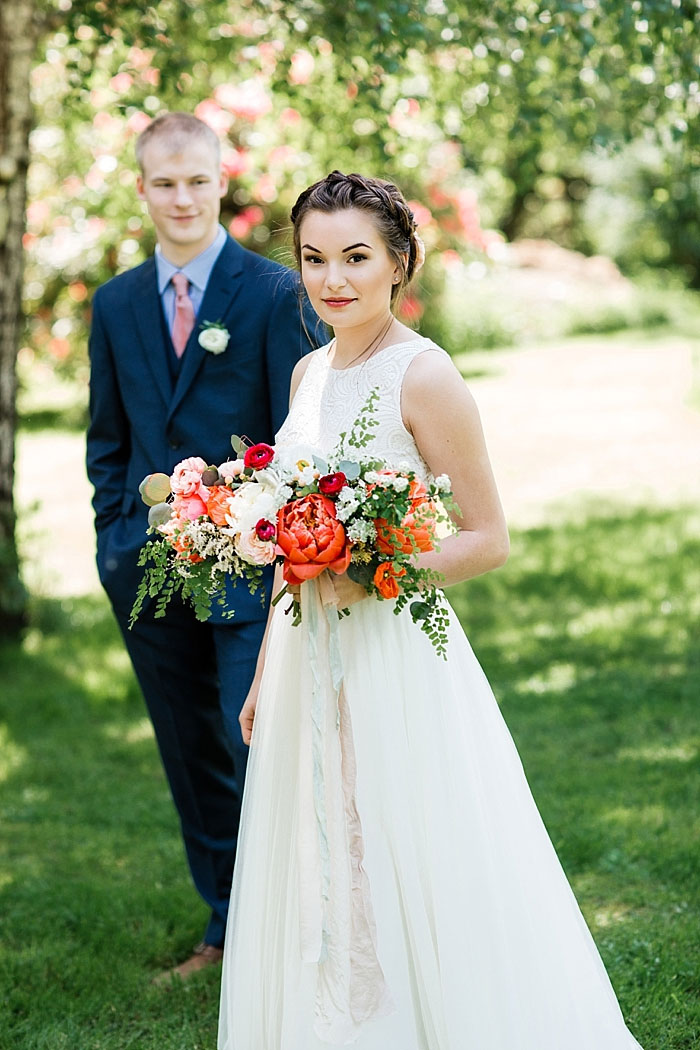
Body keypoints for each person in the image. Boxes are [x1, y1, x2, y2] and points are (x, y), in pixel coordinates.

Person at [217, 171, 644, 1049]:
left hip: (393, 654)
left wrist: (372, 572)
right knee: (322, 845)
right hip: (306, 660)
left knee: (406, 839)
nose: (333, 279)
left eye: (356, 257)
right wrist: (265, 669)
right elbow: (286, 552)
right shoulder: (304, 373)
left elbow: (488, 537)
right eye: (314, 259)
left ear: (400, 263)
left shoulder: (425, 373)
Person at [86, 111, 319, 980]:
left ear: (219, 182)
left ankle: (296, 930)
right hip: (148, 573)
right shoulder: (113, 304)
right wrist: (115, 535)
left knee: (256, 740)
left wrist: (284, 545)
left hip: (253, 569)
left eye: (196, 180)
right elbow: (106, 438)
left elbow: (300, 435)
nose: (181, 198)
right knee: (189, 751)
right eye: (163, 182)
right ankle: (225, 930)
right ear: (141, 188)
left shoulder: (269, 293)